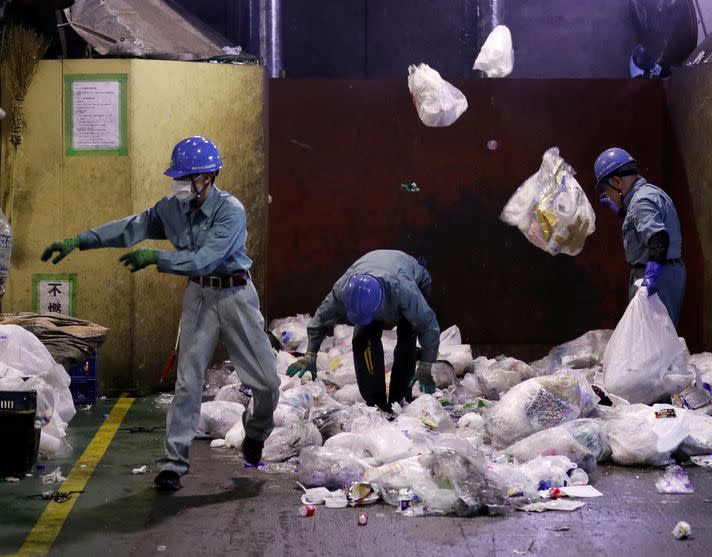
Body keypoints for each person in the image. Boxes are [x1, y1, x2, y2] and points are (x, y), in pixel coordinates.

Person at [40, 136, 280, 490]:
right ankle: (173, 464)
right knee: (187, 382)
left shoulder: (231, 211)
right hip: (199, 296)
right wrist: (81, 240)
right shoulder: (172, 209)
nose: (179, 184)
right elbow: (130, 227)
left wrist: (158, 258)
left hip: (235, 295)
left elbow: (207, 257)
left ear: (208, 177)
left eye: (187, 178)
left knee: (267, 384)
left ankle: (256, 433)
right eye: (178, 177)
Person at [286, 250, 440, 411]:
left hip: (410, 280)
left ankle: (399, 398)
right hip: (375, 281)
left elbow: (428, 325)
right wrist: (310, 355)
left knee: (407, 336)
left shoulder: (405, 291)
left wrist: (425, 366)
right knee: (363, 338)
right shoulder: (342, 289)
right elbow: (321, 319)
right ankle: (376, 404)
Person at [594, 147, 686, 326]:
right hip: (666, 270)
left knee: (653, 341)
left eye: (607, 189)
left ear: (617, 181)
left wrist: (650, 278)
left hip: (658, 276)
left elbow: (658, 238)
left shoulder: (641, 202)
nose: (609, 196)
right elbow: (640, 223)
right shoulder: (647, 194)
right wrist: (618, 210)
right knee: (652, 338)